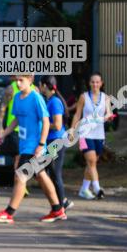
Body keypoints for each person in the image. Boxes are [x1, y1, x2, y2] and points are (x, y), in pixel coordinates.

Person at [0, 75, 65, 223]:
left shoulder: (36, 98)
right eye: (16, 80)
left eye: (21, 80)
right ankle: (57, 210)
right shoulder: (17, 97)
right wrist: (3, 134)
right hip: (24, 144)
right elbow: (17, 119)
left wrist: (41, 145)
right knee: (41, 175)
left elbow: (45, 121)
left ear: (30, 80)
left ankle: (9, 213)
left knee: (20, 176)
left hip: (34, 145)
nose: (17, 83)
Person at [71, 72, 113, 200]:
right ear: (89, 83)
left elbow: (108, 113)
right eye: (92, 82)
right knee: (91, 161)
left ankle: (84, 189)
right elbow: (77, 115)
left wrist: (108, 117)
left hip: (99, 135)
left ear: (101, 83)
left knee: (92, 164)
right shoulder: (83, 97)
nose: (95, 84)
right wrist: (72, 131)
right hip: (84, 134)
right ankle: (97, 189)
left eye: (97, 82)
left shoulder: (105, 98)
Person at [40, 77, 72, 210]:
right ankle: (62, 201)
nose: (40, 87)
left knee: (54, 173)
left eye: (40, 85)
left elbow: (58, 125)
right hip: (51, 141)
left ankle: (61, 207)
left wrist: (43, 124)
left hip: (56, 141)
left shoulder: (54, 102)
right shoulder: (50, 100)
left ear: (44, 86)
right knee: (45, 172)